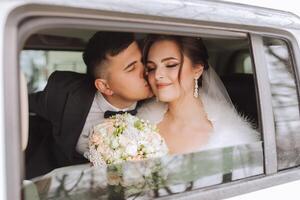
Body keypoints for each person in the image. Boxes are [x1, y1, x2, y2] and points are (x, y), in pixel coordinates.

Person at [27, 31, 153, 178]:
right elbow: (18, 105)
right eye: (131, 68)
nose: (145, 70)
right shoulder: (64, 94)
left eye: (143, 61)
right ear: (105, 87)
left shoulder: (157, 102)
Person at [139, 34, 260, 154]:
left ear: (197, 70)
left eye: (171, 65)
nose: (157, 75)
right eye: (151, 68)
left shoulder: (232, 139)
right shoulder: (141, 126)